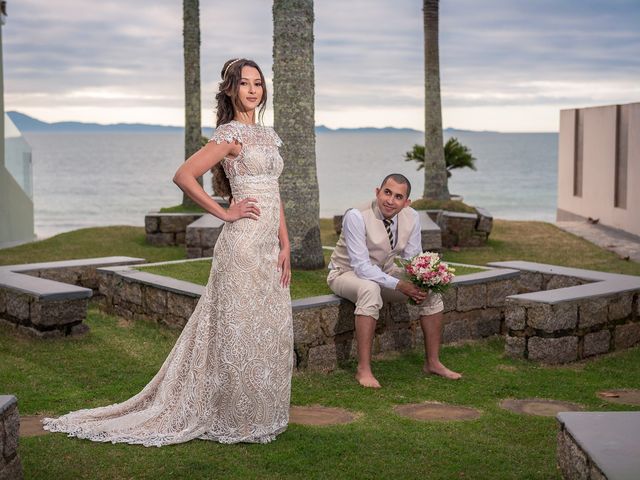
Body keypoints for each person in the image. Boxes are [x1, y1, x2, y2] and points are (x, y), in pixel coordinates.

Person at [42, 58, 294, 446]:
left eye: (258, 83)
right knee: (237, 329)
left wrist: (286, 244)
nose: (253, 90)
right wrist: (225, 212)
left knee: (265, 327)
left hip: (268, 245)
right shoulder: (229, 136)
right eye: (244, 84)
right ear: (231, 90)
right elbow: (183, 176)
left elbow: (274, 194)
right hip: (242, 245)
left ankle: (258, 412)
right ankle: (231, 416)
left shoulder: (268, 135)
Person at [327, 173, 461, 388]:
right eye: (387, 192)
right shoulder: (356, 215)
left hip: (384, 273)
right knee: (370, 289)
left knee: (431, 291)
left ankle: (433, 363)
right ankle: (364, 370)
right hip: (345, 273)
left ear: (406, 202)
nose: (390, 200)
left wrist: (425, 277)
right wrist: (399, 285)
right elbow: (361, 267)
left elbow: (411, 258)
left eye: (398, 196)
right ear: (377, 192)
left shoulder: (411, 217)